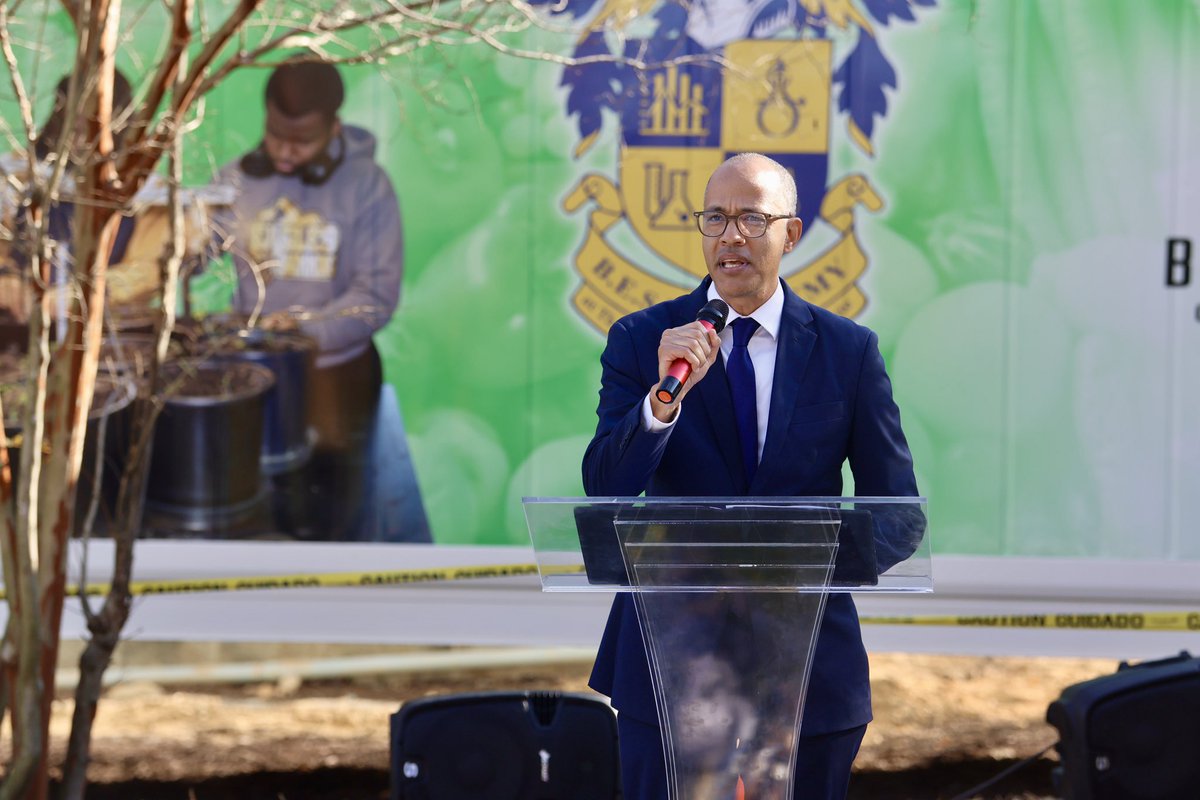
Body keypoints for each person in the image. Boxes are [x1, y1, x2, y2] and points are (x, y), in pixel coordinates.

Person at [581, 153, 919, 799]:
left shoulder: (848, 352)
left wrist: (796, 565)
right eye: (716, 218)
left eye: (751, 219)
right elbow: (606, 485)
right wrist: (661, 402)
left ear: (790, 234)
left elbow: (898, 513)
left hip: (806, 666)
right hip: (671, 661)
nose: (731, 236)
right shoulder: (643, 339)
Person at [211, 60, 425, 541]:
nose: (285, 153)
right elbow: (195, 253)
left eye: (302, 141)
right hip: (253, 376)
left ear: (333, 125)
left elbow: (374, 300)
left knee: (327, 519)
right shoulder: (236, 181)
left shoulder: (368, 187)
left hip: (335, 379)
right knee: (249, 515)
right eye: (274, 135)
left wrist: (302, 331)